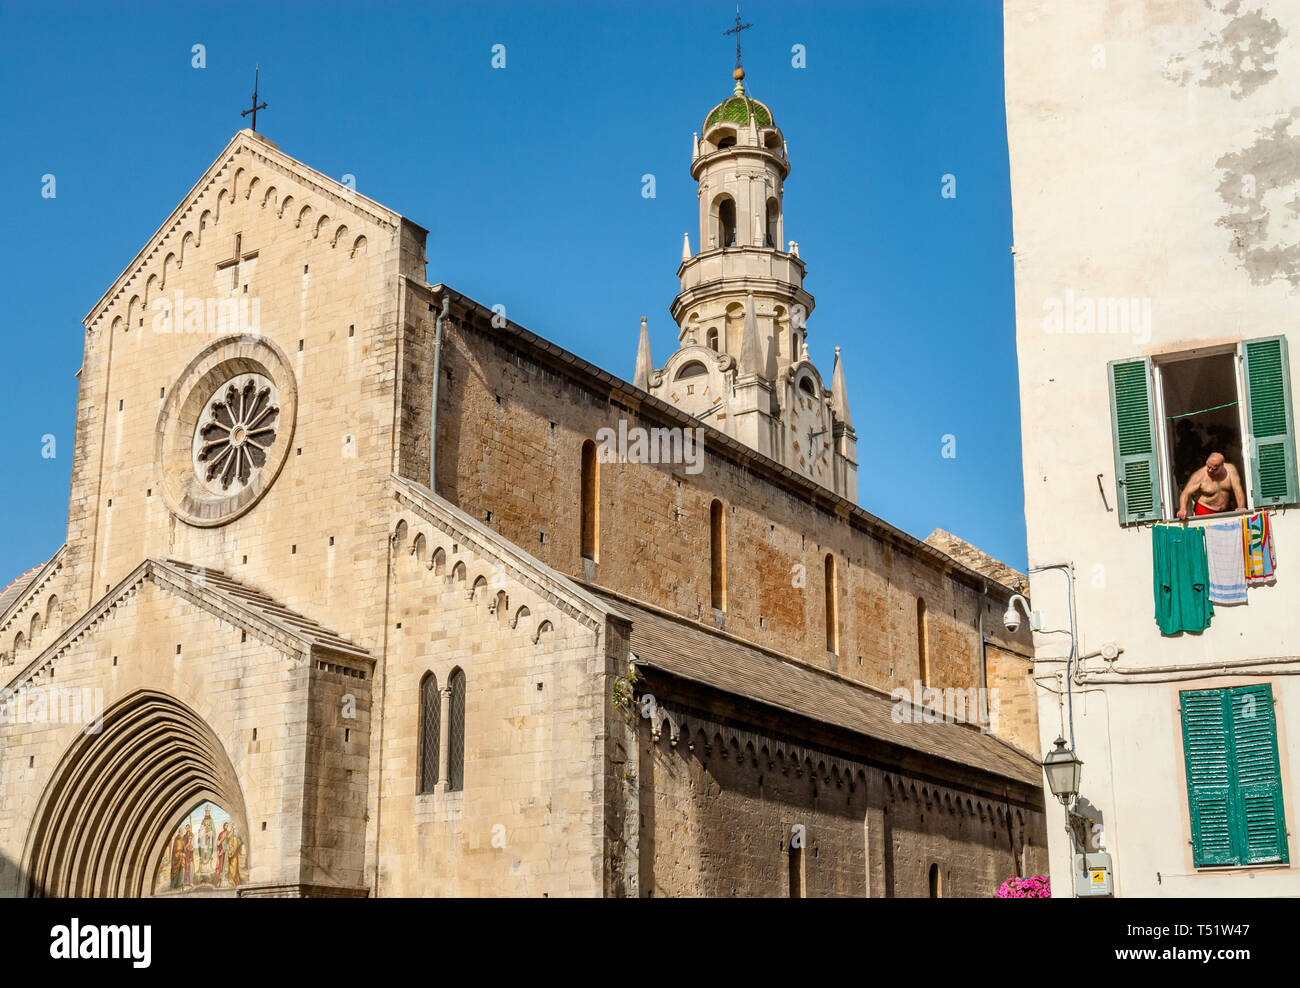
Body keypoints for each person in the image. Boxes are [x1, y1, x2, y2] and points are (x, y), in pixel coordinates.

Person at [1176, 452, 1245, 518]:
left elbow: (1238, 489)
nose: (1210, 470)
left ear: (1222, 466)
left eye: (1214, 469)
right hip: (1204, 511)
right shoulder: (1199, 475)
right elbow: (1185, 493)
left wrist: (1241, 507)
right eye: (1208, 467)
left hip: (1224, 511)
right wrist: (1182, 509)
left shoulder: (1230, 470)